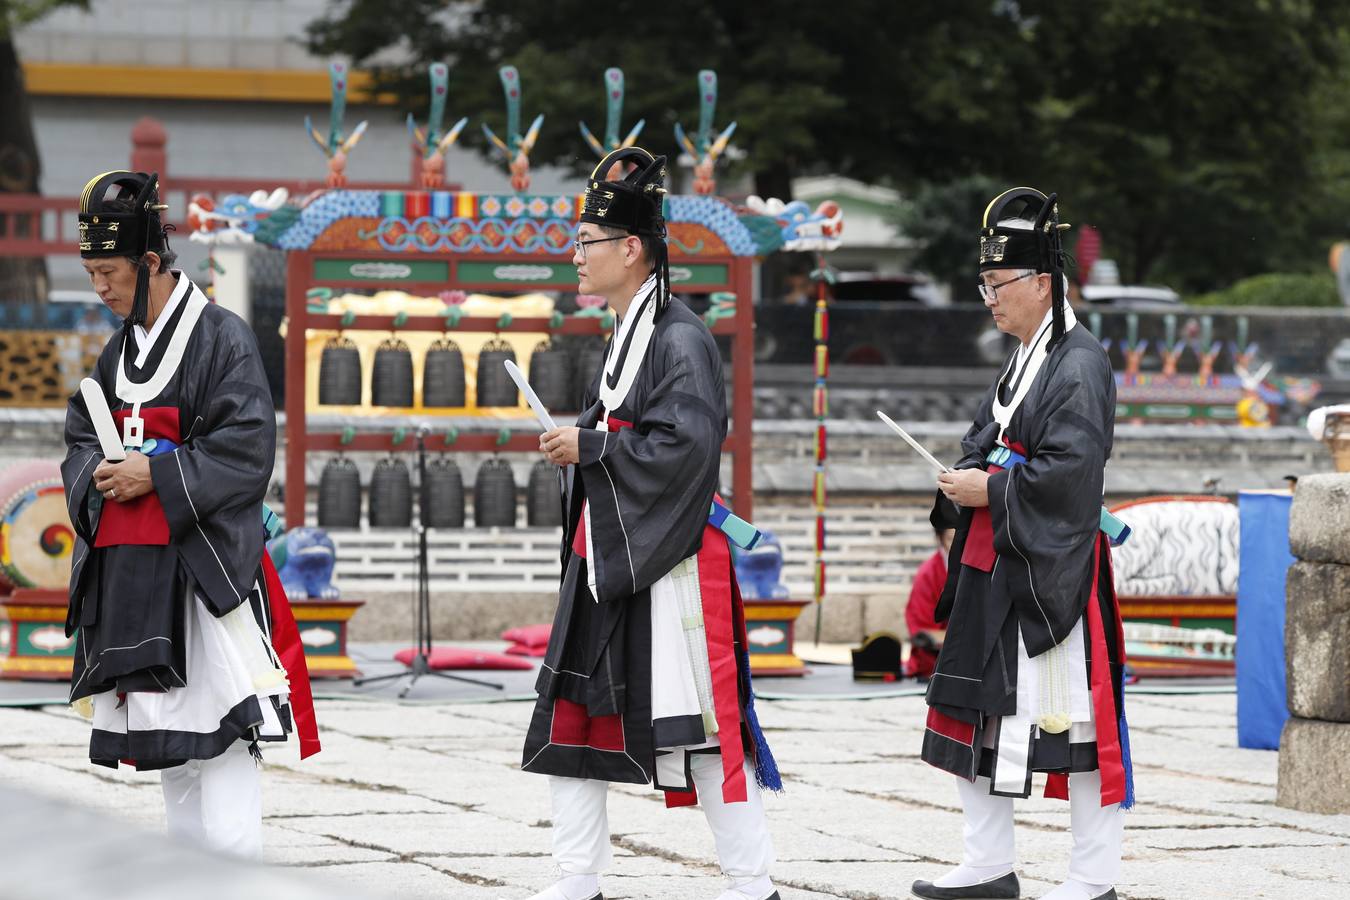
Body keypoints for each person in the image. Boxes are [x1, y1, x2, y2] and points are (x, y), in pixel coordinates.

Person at [522, 147, 781, 900]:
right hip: (606, 550)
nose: (574, 256)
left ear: (630, 248)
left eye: (586, 242)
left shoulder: (681, 337)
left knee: (699, 725)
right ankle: (576, 875)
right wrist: (581, 442)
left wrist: (594, 444)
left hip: (667, 563)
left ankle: (751, 880)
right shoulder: (628, 330)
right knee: (570, 710)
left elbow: (688, 447)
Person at [61, 170, 319, 857]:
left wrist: (158, 471)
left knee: (224, 734)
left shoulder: (221, 338)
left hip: (201, 575)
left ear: (149, 263)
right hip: (137, 575)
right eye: (90, 274)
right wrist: (101, 474)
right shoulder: (118, 352)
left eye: (109, 272)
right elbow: (81, 439)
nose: (101, 289)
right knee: (167, 742)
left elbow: (246, 449)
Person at [911, 188, 1132, 900]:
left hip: (1051, 565)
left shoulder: (1079, 362)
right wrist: (967, 476)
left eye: (997, 285)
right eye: (983, 286)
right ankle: (988, 864)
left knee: (1079, 726)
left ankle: (1093, 881)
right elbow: (991, 438)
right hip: (996, 558)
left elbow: (1070, 471)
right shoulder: (1026, 357)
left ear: (1042, 282)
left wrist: (993, 490)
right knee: (975, 710)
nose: (988, 299)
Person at [904, 526, 954, 679]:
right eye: (951, 539)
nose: (958, 544)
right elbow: (922, 629)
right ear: (940, 539)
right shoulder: (928, 573)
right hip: (936, 654)